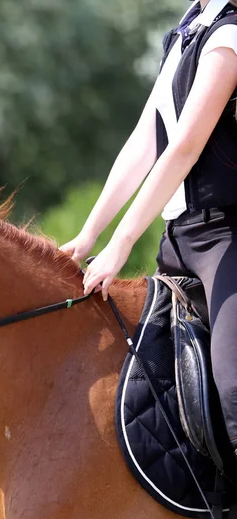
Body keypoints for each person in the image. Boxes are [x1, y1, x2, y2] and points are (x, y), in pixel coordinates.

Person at [60, 0, 237, 456]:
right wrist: (90, 233)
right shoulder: (191, 25)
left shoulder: (229, 35)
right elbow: (146, 138)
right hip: (177, 240)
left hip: (225, 241)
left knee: (234, 389)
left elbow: (183, 148)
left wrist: (121, 245)